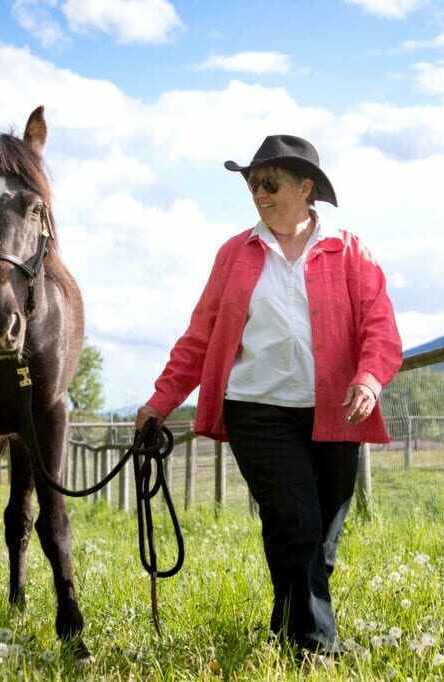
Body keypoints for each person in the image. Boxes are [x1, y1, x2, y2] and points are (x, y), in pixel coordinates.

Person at [136, 134, 402, 656]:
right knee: (296, 523)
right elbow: (200, 337)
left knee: (317, 540)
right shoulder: (235, 254)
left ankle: (285, 630)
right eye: (252, 183)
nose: (258, 192)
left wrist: (369, 378)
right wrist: (160, 401)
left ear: (305, 188)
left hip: (335, 413)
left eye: (269, 182)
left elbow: (382, 330)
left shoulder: (349, 251)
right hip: (257, 411)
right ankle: (316, 650)